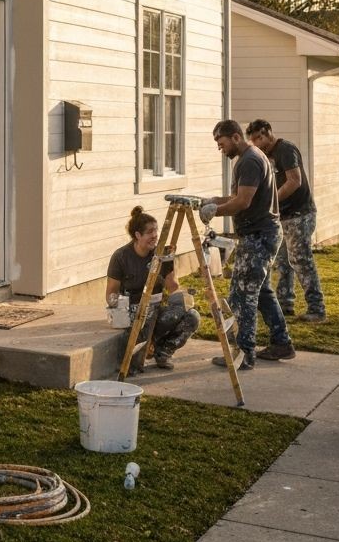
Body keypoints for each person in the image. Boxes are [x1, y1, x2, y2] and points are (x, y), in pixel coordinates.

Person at [198, 119, 294, 370]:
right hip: (265, 233)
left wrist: (214, 211)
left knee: (242, 295)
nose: (221, 149)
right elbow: (237, 196)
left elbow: (243, 202)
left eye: (222, 144)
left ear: (236, 137)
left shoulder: (250, 161)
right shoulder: (252, 157)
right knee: (261, 291)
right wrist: (213, 200)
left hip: (259, 236)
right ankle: (281, 342)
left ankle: (244, 354)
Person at [245, 119, 326, 323]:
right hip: (282, 216)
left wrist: (271, 201)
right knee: (282, 261)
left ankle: (317, 309)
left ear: (268, 133)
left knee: (301, 260)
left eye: (258, 138)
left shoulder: (286, 149)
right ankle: (285, 303)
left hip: (300, 214)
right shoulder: (264, 156)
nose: (256, 143)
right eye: (252, 140)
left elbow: (294, 181)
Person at [106, 206, 201, 371]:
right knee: (133, 368)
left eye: (156, 231)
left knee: (192, 316)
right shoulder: (121, 257)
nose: (155, 236)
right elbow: (111, 294)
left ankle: (162, 352)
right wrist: (120, 313)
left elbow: (173, 287)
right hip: (129, 312)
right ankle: (146, 345)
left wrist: (169, 263)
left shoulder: (160, 253)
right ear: (137, 235)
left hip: (155, 309)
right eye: (150, 232)